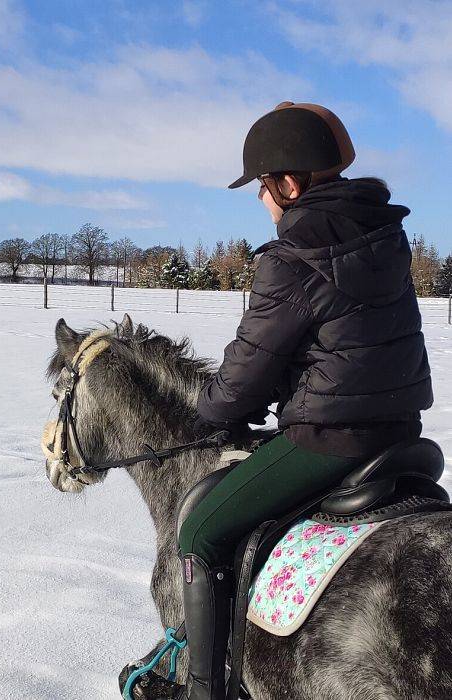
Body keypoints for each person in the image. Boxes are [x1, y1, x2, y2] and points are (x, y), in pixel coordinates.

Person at [172, 102, 433, 699]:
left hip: (329, 439)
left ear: (289, 183)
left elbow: (246, 369)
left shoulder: (294, 257)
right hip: (400, 433)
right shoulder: (383, 235)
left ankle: (205, 690)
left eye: (263, 187)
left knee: (202, 533)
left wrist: (211, 414)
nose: (263, 201)